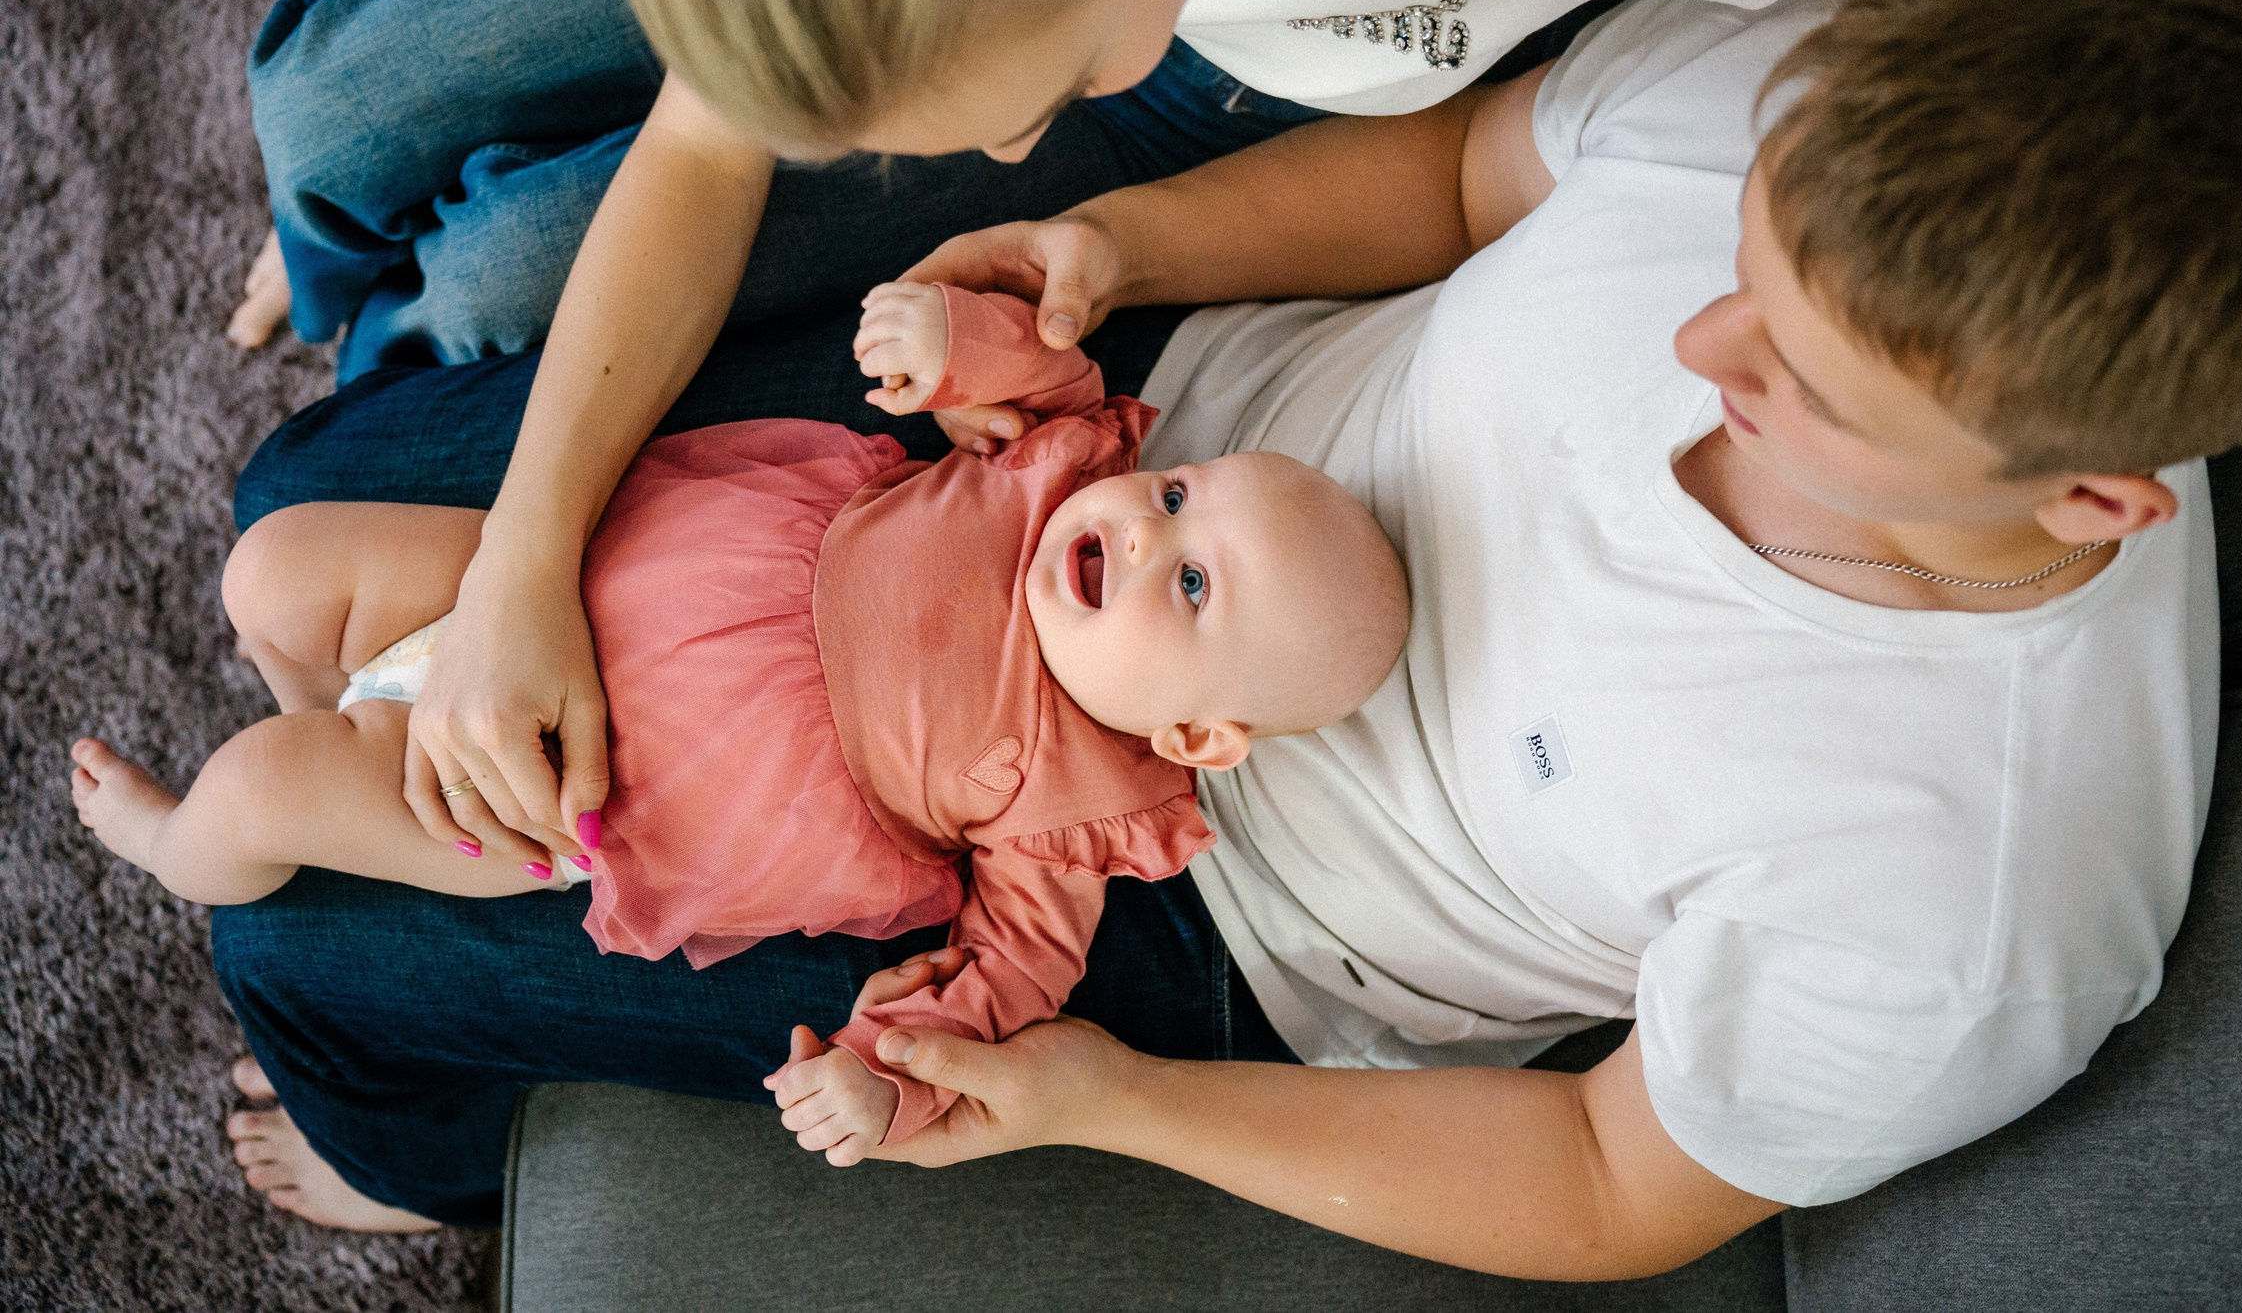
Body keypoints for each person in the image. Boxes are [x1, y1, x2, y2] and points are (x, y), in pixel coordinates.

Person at [213, 0, 2242, 1268]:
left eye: (1806, 390)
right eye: (1746, 268)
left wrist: (1108, 1094)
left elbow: (1596, 1175)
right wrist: (1130, 255)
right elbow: (1466, 167)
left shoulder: (1967, 897)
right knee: (298, 513)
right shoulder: (1837, 88)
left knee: (290, 925)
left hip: (1175, 898)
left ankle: (420, 1162)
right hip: (1096, 447)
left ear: (2090, 501)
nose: (1698, 345)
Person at [233, 0, 2242, 905]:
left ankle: (386, 285)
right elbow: (729, 126)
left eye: (988, 100)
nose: (968, 157)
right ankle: (325, 243)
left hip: (1312, 10)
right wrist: (524, 551)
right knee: (338, 131)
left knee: (501, 285)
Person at [78, 282, 1407, 1158]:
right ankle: (335, 705)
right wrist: (950, 339)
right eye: (1179, 494)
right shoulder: (1065, 467)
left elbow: (1005, 986)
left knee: (257, 795)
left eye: (1188, 581)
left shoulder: (1074, 813)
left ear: (1194, 741)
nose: (1143, 521)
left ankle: (177, 839)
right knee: (271, 573)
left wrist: (893, 1082)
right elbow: (1049, 375)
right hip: (544, 585)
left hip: (582, 785)